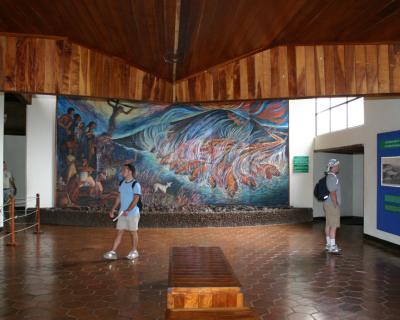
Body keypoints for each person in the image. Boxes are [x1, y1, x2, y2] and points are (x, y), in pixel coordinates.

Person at [104, 164, 141, 260]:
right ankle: (113, 252)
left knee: (133, 232)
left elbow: (136, 199)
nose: (122, 172)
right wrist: (113, 209)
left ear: (130, 172)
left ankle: (134, 251)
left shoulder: (136, 184)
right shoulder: (122, 183)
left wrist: (128, 210)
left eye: (124, 170)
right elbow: (119, 197)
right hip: (122, 213)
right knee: (119, 232)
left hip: (132, 213)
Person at [324, 159, 342, 253]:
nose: (339, 167)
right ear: (333, 167)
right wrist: (336, 204)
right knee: (333, 225)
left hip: (328, 204)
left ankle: (328, 244)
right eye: (337, 165)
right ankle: (332, 246)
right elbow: (332, 192)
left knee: (329, 224)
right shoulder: (332, 177)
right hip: (332, 205)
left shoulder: (329, 176)